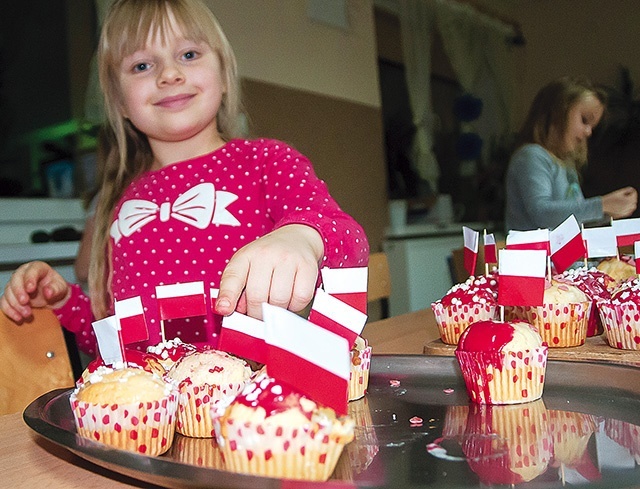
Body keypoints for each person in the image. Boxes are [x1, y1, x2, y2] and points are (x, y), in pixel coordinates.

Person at [0, 0, 369, 358]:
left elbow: (349, 238)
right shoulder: (121, 202)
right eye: (142, 65)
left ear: (224, 76)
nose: (169, 74)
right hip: (149, 411)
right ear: (119, 102)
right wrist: (63, 302)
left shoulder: (265, 161)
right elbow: (111, 346)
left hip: (252, 406)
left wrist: (302, 236)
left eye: (189, 55)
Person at [504, 76, 637, 232]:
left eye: (592, 127)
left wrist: (609, 212)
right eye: (584, 120)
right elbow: (541, 213)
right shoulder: (531, 156)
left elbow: (575, 220)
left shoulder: (566, 165)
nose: (588, 132)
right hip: (532, 255)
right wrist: (601, 205)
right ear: (558, 113)